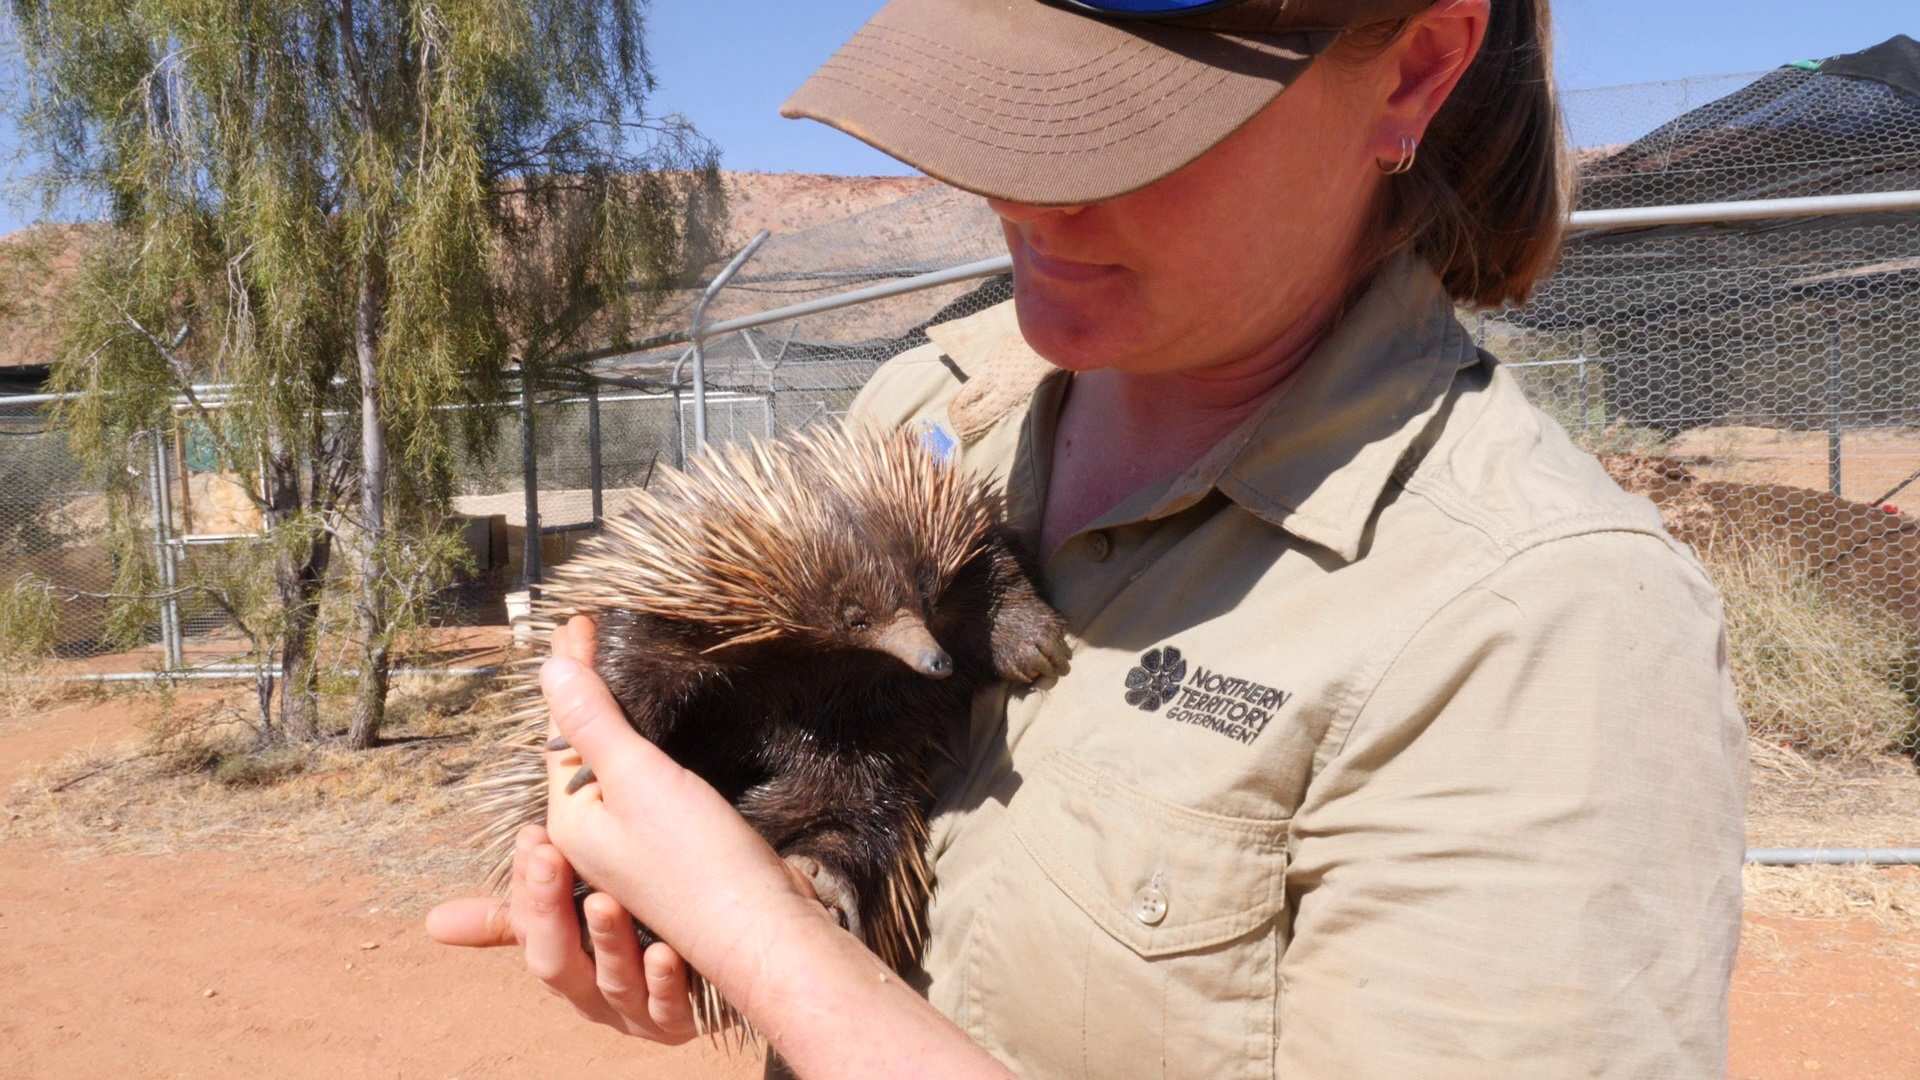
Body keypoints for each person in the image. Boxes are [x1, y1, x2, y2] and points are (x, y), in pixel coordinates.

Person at [428, 1, 1748, 1076]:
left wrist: (774, 951)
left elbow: (797, 959)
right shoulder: (927, 416)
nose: (1023, 192)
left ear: (1414, 71)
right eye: (1005, 99)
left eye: (1126, 128)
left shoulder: (1540, 626)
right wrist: (669, 898)